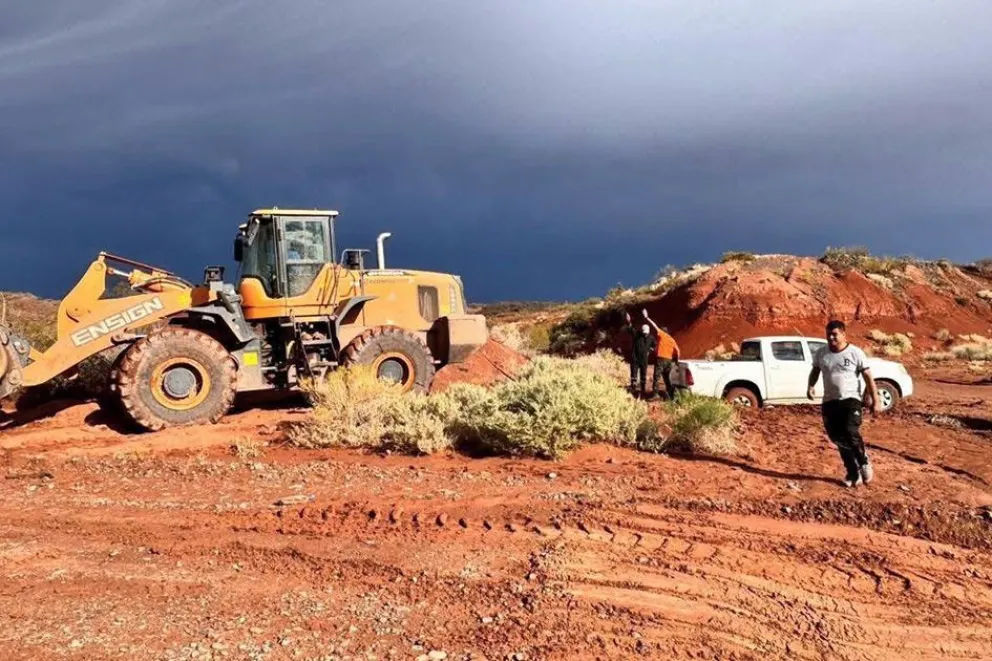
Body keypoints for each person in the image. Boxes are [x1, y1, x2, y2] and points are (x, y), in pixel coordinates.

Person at [807, 320, 881, 488]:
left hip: (851, 400)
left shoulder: (855, 353)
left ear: (843, 334)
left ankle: (863, 462)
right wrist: (810, 386)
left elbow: (868, 377)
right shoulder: (821, 353)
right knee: (838, 438)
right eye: (828, 334)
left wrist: (875, 400)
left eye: (834, 334)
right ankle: (853, 473)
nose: (831, 337)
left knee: (850, 431)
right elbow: (815, 370)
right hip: (829, 401)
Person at [642, 309, 680, 400]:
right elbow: (677, 351)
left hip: (661, 359)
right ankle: (671, 395)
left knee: (656, 376)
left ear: (663, 332)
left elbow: (654, 326)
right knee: (667, 378)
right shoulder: (672, 339)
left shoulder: (662, 334)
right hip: (669, 361)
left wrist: (647, 317)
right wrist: (676, 361)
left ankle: (655, 395)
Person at [623, 311, 656, 398]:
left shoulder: (651, 337)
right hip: (635, 358)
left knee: (643, 374)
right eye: (643, 332)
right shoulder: (637, 334)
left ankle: (643, 389)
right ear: (641, 331)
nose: (645, 334)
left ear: (648, 332)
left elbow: (654, 345)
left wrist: (650, 350)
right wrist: (628, 321)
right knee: (633, 374)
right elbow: (630, 328)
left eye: (646, 333)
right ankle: (633, 388)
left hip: (644, 359)